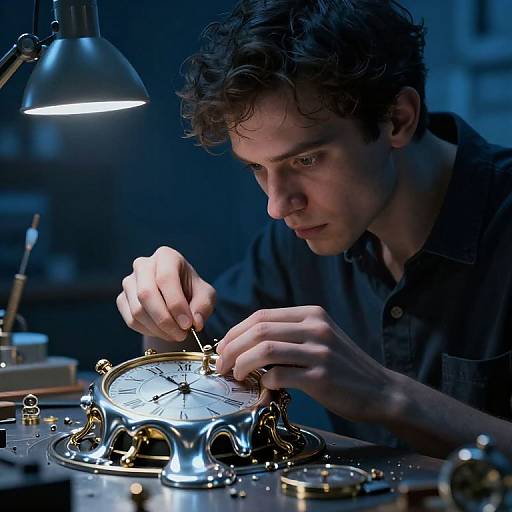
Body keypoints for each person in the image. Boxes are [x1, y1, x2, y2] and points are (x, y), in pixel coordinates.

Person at [116, 0, 512, 458]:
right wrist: (163, 315)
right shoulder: (297, 238)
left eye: (305, 160)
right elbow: (197, 370)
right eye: (257, 169)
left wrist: (387, 395)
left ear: (398, 119)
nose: (278, 205)